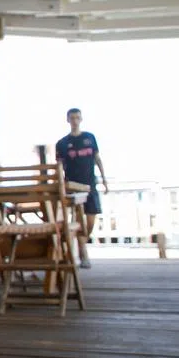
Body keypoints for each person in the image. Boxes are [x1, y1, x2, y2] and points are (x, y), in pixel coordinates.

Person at [55, 108, 108, 268]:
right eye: (72, 118)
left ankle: (82, 242)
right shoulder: (62, 143)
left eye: (77, 117)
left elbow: (97, 158)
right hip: (72, 186)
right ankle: (83, 252)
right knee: (78, 219)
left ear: (81, 119)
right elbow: (59, 166)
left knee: (90, 219)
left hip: (90, 184)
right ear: (68, 120)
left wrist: (104, 179)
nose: (75, 120)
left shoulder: (89, 138)